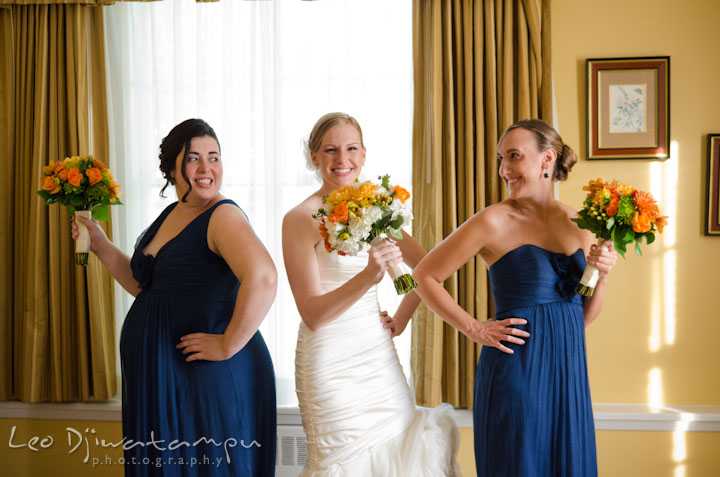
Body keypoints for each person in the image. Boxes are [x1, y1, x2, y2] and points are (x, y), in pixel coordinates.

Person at [412, 119, 618, 476]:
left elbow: (582, 315)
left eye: (513, 157)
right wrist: (474, 328)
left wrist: (603, 277)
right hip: (517, 370)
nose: (504, 169)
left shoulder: (580, 222)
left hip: (568, 371)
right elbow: (423, 276)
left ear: (547, 159)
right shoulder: (492, 221)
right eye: (501, 159)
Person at [73, 119, 277, 476]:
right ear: (171, 168)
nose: (206, 168)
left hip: (201, 378)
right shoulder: (175, 213)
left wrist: (228, 344)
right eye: (193, 158)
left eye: (213, 157)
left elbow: (263, 278)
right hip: (163, 377)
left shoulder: (222, 215)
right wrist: (101, 245)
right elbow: (148, 287)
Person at [282, 112, 460, 476]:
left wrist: (401, 318)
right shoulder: (300, 219)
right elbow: (313, 314)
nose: (341, 160)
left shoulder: (378, 211)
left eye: (350, 149)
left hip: (378, 358)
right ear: (314, 157)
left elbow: (429, 271)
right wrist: (368, 277)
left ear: (364, 155)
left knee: (400, 449)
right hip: (329, 361)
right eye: (330, 150)